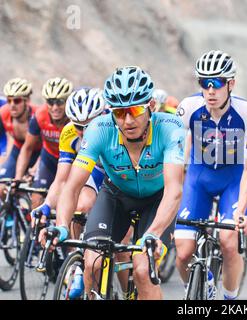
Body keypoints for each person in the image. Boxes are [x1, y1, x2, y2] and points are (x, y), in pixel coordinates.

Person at [39, 66, 185, 300]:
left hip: (157, 199)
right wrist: (62, 225)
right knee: (92, 262)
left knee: (142, 269)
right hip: (116, 195)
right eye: (119, 112)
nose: (127, 120)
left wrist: (154, 233)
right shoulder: (99, 129)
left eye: (135, 110)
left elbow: (174, 190)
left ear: (151, 106)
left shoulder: (170, 127)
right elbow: (72, 185)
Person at [174, 50, 247, 300]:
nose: (210, 90)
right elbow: (176, 160)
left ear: (231, 84)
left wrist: (242, 211)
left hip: (232, 180)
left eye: (217, 83)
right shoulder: (187, 108)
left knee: (229, 243)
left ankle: (229, 299)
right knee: (182, 253)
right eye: (204, 83)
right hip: (198, 179)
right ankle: (205, 287)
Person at [31, 88, 106, 228]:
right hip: (96, 168)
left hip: (118, 171)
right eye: (78, 126)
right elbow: (62, 180)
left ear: (101, 116)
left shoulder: (113, 126)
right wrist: (47, 205)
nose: (84, 132)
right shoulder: (68, 132)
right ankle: (75, 249)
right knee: (80, 208)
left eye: (89, 125)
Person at [15, 78, 73, 208]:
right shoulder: (39, 116)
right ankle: (37, 228)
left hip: (71, 161)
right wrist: (18, 177)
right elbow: (27, 148)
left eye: (60, 102)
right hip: (49, 158)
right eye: (50, 103)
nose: (55, 107)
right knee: (36, 199)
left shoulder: (74, 119)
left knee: (68, 201)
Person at [0, 78, 41, 182]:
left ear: (27, 101)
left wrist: (35, 168)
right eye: (9, 100)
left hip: (39, 153)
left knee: (34, 190)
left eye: (17, 100)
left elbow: (47, 148)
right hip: (18, 150)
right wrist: (4, 162)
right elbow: (10, 139)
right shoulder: (4, 112)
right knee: (2, 184)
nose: (12, 105)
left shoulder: (38, 116)